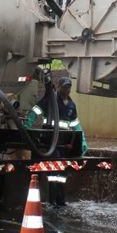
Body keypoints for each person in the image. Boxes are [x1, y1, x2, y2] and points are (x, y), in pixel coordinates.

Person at [25, 76, 88, 206]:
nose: (67, 89)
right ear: (58, 87)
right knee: (53, 172)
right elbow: (35, 111)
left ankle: (60, 201)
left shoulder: (71, 104)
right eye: (64, 86)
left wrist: (82, 139)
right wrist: (27, 126)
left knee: (62, 173)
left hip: (65, 144)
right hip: (51, 142)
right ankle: (52, 201)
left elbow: (75, 123)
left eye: (69, 86)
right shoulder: (50, 100)